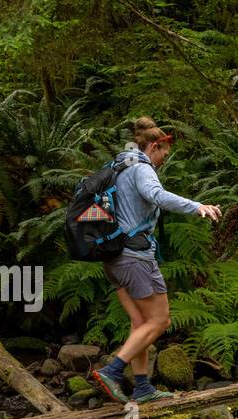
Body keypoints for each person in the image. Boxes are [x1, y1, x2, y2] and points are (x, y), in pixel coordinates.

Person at [91, 117, 222, 404]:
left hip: (114, 258)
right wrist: (197, 206)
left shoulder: (120, 168)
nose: (164, 160)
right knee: (160, 320)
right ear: (155, 146)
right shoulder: (141, 168)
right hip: (135, 258)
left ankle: (141, 387)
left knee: (140, 322)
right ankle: (113, 371)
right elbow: (156, 195)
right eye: (164, 154)